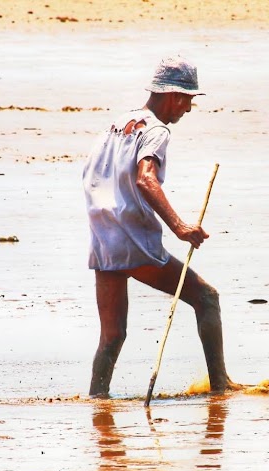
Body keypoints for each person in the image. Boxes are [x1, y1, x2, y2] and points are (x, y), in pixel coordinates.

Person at [82, 55, 240, 397]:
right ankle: (221, 388)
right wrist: (180, 226)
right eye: (189, 102)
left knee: (113, 334)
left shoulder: (117, 125)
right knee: (207, 299)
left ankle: (98, 402)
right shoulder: (155, 131)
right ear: (175, 96)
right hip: (132, 240)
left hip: (103, 237)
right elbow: (146, 178)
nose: (188, 110)